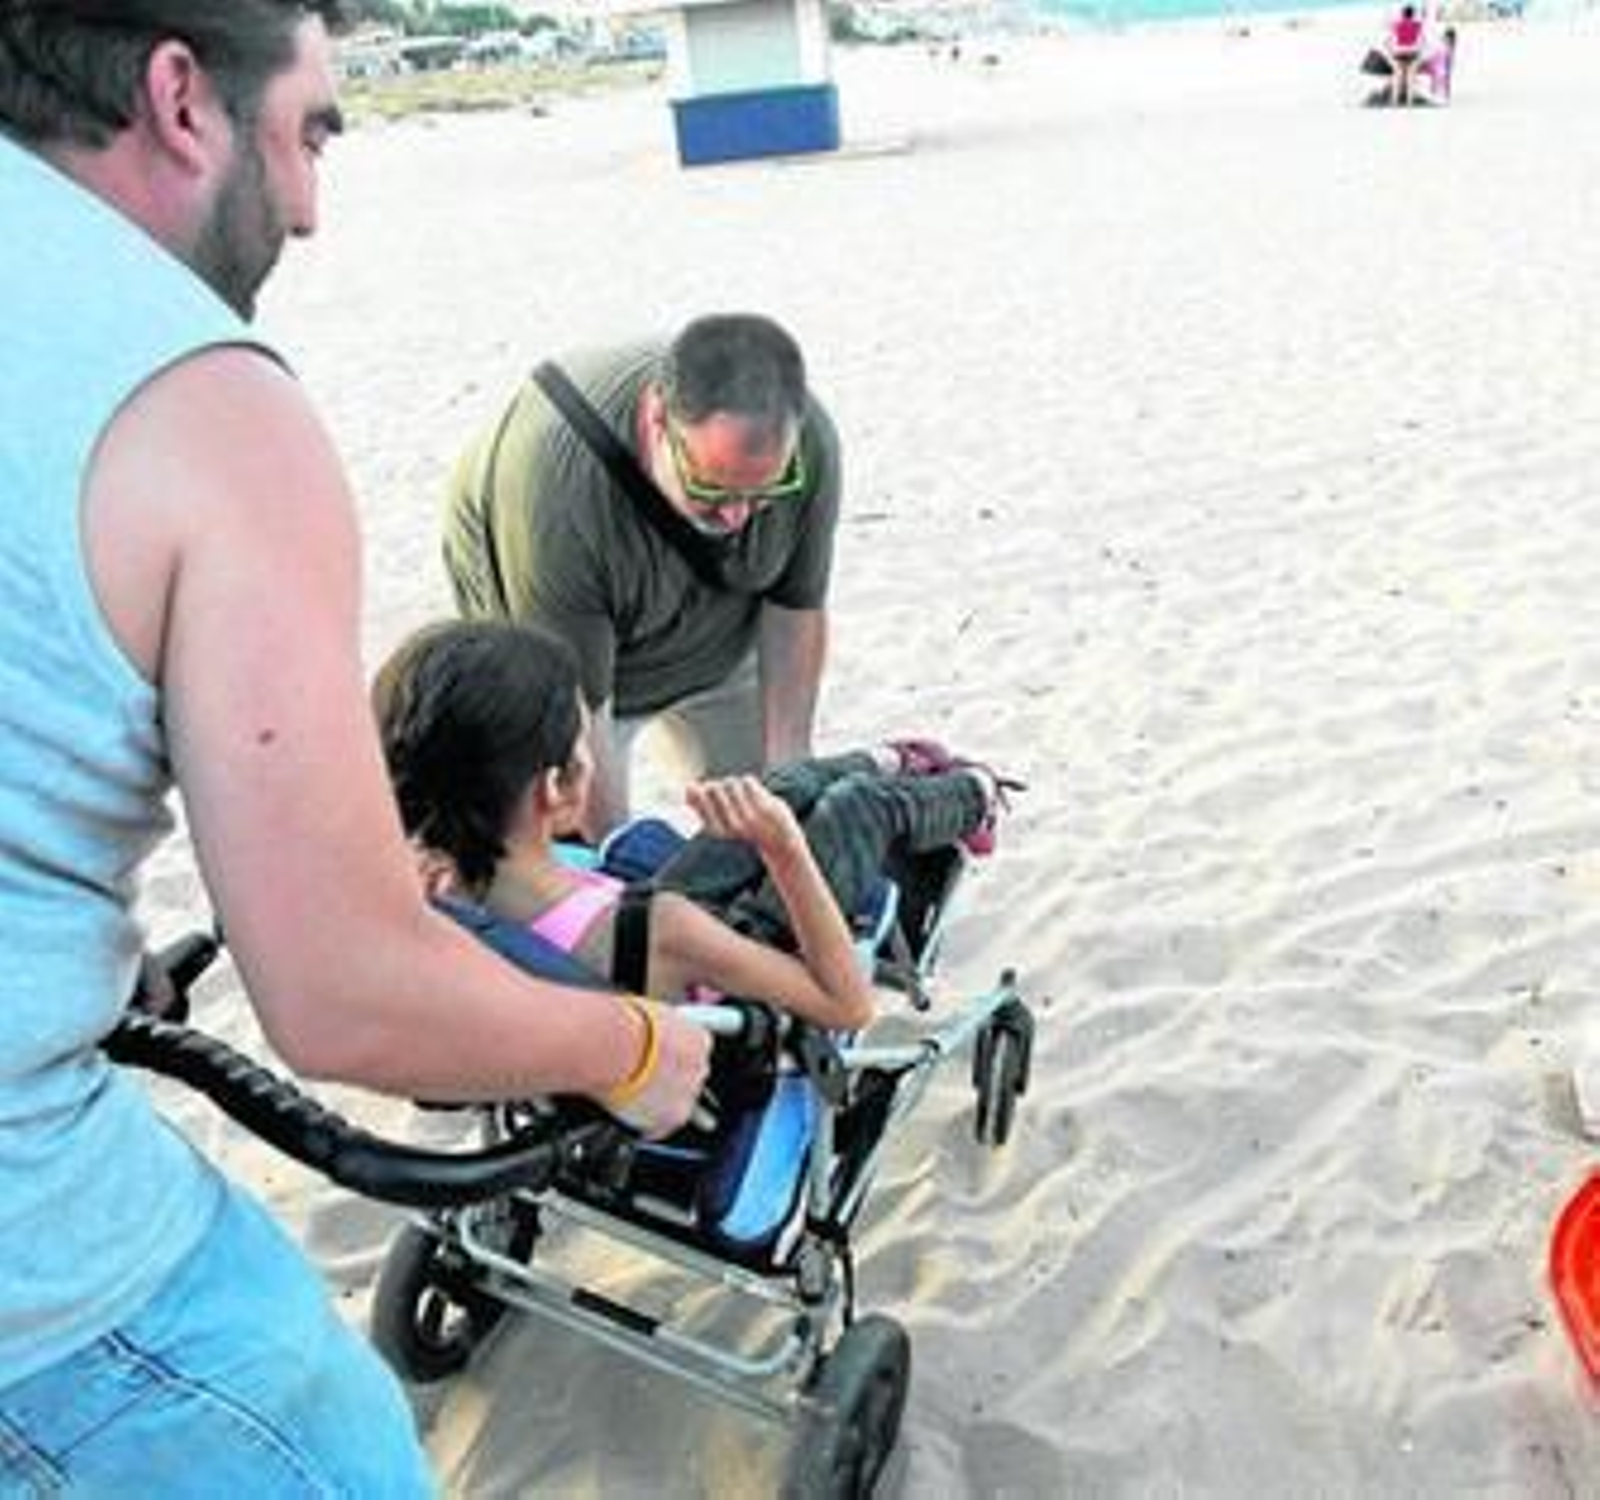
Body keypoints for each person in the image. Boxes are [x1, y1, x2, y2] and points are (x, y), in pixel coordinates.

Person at [0, 3, 709, 1493]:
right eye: (313, 130)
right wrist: (634, 1049)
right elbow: (342, 995)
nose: (314, 208)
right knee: (325, 1438)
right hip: (34, 1277)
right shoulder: (199, 400)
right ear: (182, 99)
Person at [371, 620, 1010, 1030]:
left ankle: (896, 757)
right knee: (856, 808)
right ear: (557, 790)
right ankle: (976, 794)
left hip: (626, 936)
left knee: (774, 789)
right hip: (704, 957)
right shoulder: (670, 931)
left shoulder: (437, 892)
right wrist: (784, 851)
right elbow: (848, 1008)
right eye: (582, 739)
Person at [441, 313, 842, 842]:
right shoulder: (555, 495)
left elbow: (794, 615)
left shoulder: (808, 444)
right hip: (568, 665)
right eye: (712, 489)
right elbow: (578, 710)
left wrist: (789, 783)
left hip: (716, 639)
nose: (739, 517)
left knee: (776, 826)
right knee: (575, 847)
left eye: (764, 492)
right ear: (656, 418)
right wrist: (620, 867)